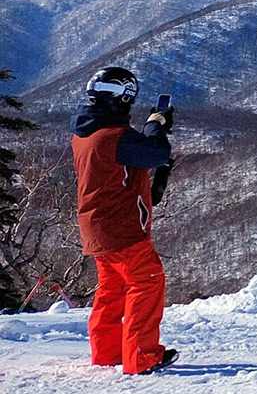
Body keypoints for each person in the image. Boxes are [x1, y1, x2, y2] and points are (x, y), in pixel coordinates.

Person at [73, 67, 179, 375]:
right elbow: (156, 152)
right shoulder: (112, 137)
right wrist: (156, 125)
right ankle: (142, 357)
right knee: (146, 281)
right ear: (122, 99)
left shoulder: (85, 133)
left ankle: (107, 352)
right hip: (121, 229)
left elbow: (134, 161)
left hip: (97, 228)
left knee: (113, 288)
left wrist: (151, 129)